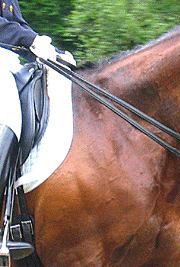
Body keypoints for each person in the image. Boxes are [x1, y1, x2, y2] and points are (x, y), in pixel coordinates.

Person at [0, 0, 73, 256]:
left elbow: (16, 26)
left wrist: (49, 52)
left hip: (9, 59)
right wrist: (31, 40)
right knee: (9, 115)